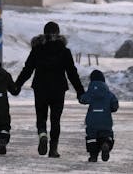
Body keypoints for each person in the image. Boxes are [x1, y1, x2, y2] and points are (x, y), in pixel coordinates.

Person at [13, 21, 85, 158]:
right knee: (55, 119)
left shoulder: (37, 49)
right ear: (58, 33)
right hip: (58, 89)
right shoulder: (64, 51)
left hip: (40, 88)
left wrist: (18, 85)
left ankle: (42, 135)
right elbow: (72, 73)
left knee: (41, 116)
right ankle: (53, 149)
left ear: (44, 33)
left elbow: (27, 69)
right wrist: (80, 91)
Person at [79, 69, 119, 162]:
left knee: (91, 138)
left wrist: (81, 97)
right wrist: (111, 109)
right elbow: (115, 105)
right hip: (106, 121)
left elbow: (83, 99)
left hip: (92, 121)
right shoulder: (109, 94)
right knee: (107, 135)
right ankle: (106, 144)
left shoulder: (90, 92)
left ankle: (93, 156)